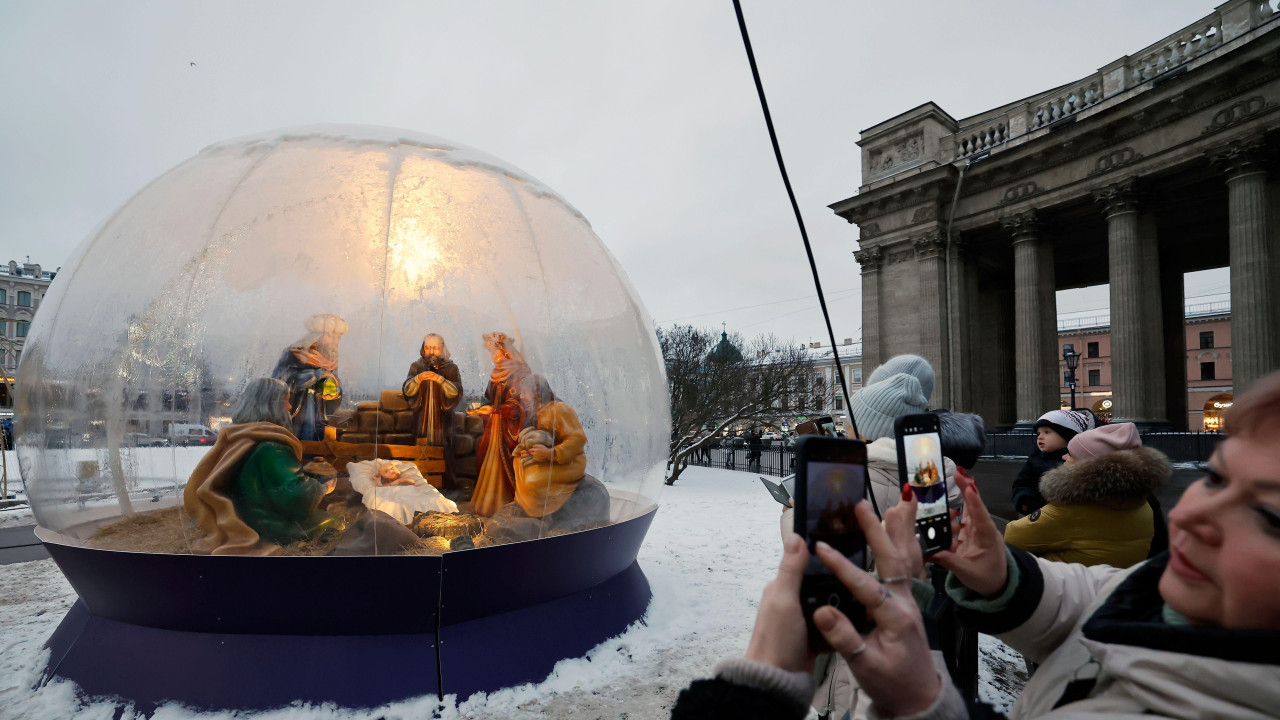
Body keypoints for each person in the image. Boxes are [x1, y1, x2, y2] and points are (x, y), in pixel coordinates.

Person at [693, 368, 1280, 719]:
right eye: (1217, 477)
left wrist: (757, 696)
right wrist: (1004, 579)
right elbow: (1100, 597)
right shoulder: (1162, 600)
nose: (1195, 514)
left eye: (1268, 515)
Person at [184, 378, 337, 555]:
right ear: (272, 405)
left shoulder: (242, 437)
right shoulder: (273, 448)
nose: (289, 407)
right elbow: (293, 495)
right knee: (330, 522)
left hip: (244, 515)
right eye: (286, 401)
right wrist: (324, 488)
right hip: (266, 524)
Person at [1004, 422, 1170, 567]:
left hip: (1067, 586)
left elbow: (1013, 535)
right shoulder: (1144, 504)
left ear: (1087, 466)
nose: (1064, 456)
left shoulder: (1071, 509)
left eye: (1071, 454)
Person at [509, 376, 609, 529]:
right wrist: (531, 451)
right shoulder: (541, 411)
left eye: (524, 392)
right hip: (550, 459)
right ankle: (527, 508)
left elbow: (578, 439)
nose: (521, 396)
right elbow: (546, 438)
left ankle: (542, 513)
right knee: (518, 462)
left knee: (533, 481)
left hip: (569, 462)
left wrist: (550, 453)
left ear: (536, 393)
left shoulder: (560, 409)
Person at [469, 332, 532, 517]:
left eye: (496, 351)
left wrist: (495, 411)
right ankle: (488, 503)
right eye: (491, 353)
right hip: (494, 426)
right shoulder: (496, 373)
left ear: (506, 352)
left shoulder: (519, 373)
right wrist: (481, 409)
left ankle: (507, 505)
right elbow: (489, 399)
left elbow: (519, 405)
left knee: (508, 464)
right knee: (484, 457)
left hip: (508, 428)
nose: (493, 357)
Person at [272, 313, 347, 441]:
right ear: (317, 335)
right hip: (297, 414)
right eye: (331, 335)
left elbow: (336, 384)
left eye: (339, 336)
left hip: (318, 414)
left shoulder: (331, 360)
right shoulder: (294, 354)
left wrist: (334, 391)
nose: (336, 340)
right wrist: (316, 376)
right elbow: (280, 383)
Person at [402, 333, 463, 487]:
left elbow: (455, 392)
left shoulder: (451, 368)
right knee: (419, 448)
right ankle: (421, 483)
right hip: (421, 419)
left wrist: (439, 380)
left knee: (444, 449)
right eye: (428, 347)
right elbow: (408, 390)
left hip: (442, 420)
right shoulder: (416, 366)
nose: (431, 351)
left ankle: (446, 485)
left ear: (442, 348)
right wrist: (418, 379)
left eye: (435, 348)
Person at [1010, 409, 1092, 516]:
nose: (1040, 436)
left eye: (1047, 432)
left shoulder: (1078, 460)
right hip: (1036, 515)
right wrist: (1024, 500)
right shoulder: (1035, 460)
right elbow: (1021, 485)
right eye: (1038, 433)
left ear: (1067, 435)